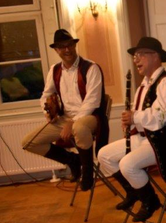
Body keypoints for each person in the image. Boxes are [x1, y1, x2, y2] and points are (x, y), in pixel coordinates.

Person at [97, 37, 166, 222]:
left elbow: (163, 117)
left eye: (140, 55)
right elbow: (140, 115)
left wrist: (135, 117)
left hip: (164, 142)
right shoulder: (144, 85)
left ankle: (150, 201)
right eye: (135, 56)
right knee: (103, 155)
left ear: (155, 56)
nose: (136, 59)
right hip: (145, 138)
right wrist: (130, 123)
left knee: (127, 164)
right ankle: (134, 193)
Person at [22, 29, 108, 191]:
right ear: (56, 50)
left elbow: (92, 101)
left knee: (79, 127)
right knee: (28, 142)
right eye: (62, 47)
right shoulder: (54, 70)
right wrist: (49, 113)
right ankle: (72, 160)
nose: (67, 49)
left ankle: (87, 172)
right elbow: (46, 95)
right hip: (64, 119)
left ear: (74, 46)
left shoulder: (91, 68)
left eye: (69, 45)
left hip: (90, 117)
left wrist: (72, 122)